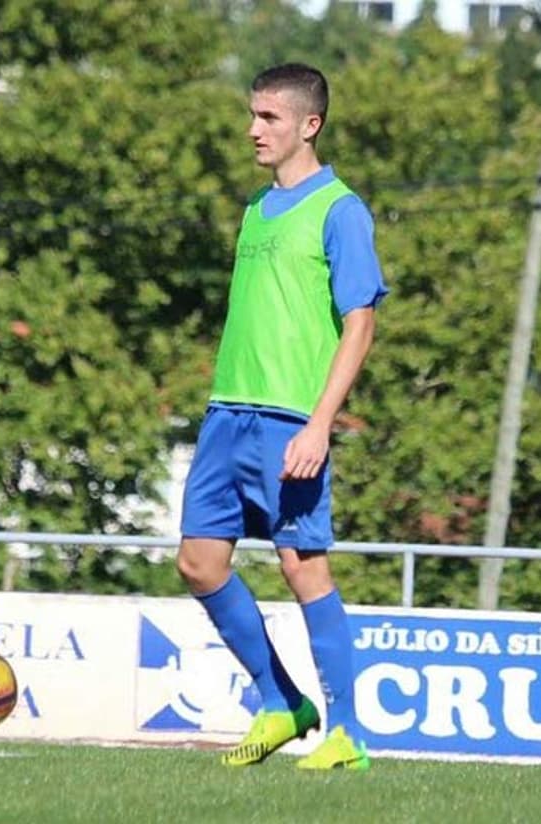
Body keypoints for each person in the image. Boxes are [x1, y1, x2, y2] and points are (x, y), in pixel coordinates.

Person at [176, 62, 387, 771]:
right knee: (199, 563)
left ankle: (348, 733)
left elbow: (359, 325)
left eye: (268, 118)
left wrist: (320, 423)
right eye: (253, 115)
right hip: (225, 414)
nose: (253, 130)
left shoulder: (341, 209)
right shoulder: (253, 210)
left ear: (309, 124)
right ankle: (281, 703)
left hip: (289, 421)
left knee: (304, 569)